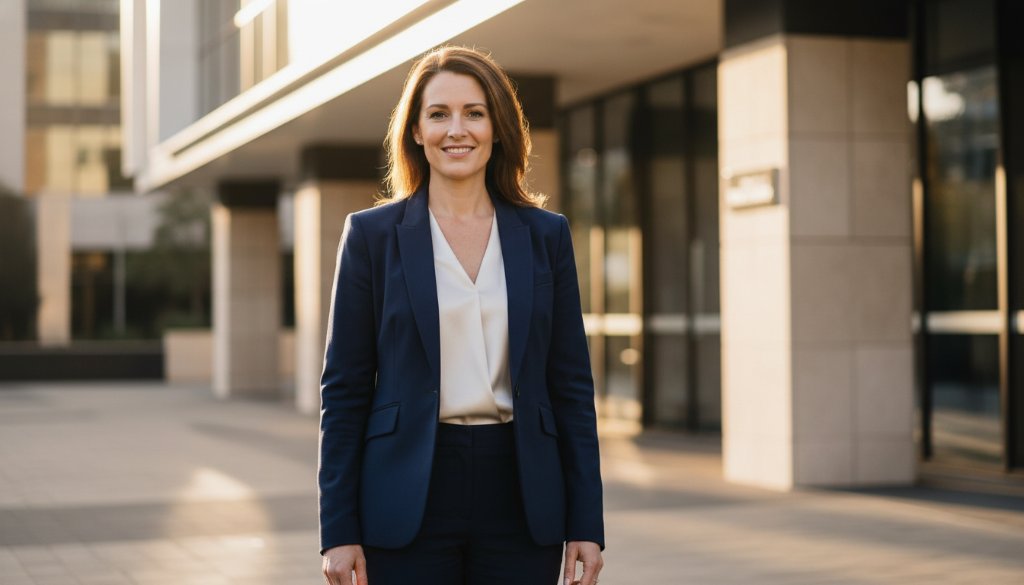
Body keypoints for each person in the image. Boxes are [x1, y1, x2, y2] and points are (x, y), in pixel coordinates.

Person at [318, 45, 604, 585]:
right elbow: (345, 390)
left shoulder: (546, 236)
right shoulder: (371, 238)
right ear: (416, 132)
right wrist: (338, 528)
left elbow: (571, 387)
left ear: (497, 127)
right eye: (439, 114)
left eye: (475, 112)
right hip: (406, 490)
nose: (458, 130)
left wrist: (587, 521)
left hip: (521, 489)